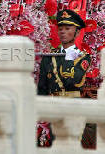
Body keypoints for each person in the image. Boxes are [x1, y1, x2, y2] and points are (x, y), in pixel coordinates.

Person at [37, 9, 91, 146]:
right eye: (60, 28)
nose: (62, 31)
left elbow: (71, 81)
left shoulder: (82, 57)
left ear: (77, 32)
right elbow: (42, 88)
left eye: (68, 28)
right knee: (56, 145)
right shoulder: (49, 57)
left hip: (73, 106)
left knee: (71, 145)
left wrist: (68, 59)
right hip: (54, 108)